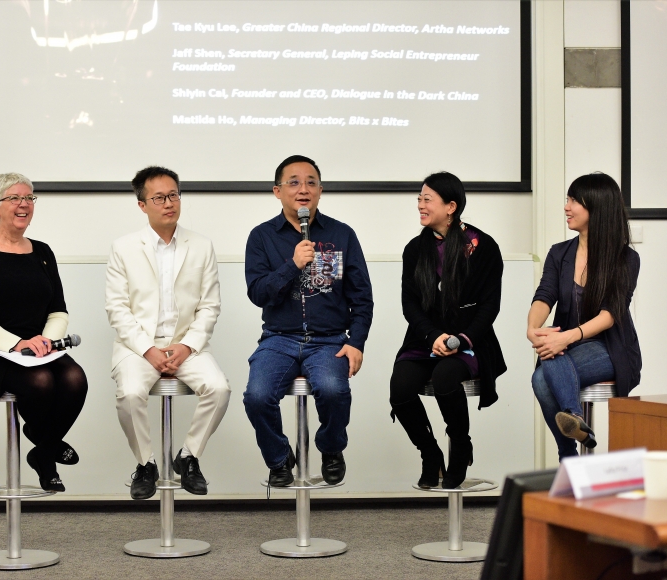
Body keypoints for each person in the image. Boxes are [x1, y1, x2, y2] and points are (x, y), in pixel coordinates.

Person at [0, 173, 88, 492]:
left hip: (41, 347)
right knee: (40, 382)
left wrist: (45, 341)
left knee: (75, 379)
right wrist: (16, 344)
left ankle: (42, 449)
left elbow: (58, 310)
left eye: (29, 198)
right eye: (14, 198)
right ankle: (47, 449)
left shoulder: (42, 252)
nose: (24, 204)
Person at [243, 155, 374, 487]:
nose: (303, 189)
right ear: (277, 191)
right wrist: (293, 265)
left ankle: (331, 448)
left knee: (333, 390)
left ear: (320, 190)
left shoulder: (342, 234)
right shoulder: (261, 237)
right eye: (294, 182)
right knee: (256, 396)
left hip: (329, 339)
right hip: (278, 338)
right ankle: (279, 458)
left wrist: (356, 342)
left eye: (311, 182)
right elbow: (257, 293)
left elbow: (362, 297)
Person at [106, 166, 230, 500]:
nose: (169, 203)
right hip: (137, 347)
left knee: (219, 389)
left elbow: (210, 306)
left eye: (173, 195)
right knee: (130, 393)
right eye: (159, 197)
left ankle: (188, 457)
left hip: (186, 344)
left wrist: (187, 346)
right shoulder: (123, 247)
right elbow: (117, 309)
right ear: (142, 204)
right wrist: (148, 350)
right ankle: (146, 463)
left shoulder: (201, 245)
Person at [389, 172, 506, 489]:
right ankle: (430, 453)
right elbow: (410, 305)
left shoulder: (482, 247)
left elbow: (489, 306)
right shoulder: (415, 249)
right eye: (419, 199)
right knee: (400, 388)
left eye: (427, 199)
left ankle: (460, 446)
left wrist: (460, 339)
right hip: (425, 339)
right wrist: (433, 336)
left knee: (445, 378)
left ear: (451, 206)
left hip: (470, 340)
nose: (420, 205)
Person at [528, 172, 641, 460]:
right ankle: (576, 426)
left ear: (597, 207)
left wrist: (565, 337)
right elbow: (544, 295)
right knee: (545, 367)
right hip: (567, 346)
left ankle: (568, 455)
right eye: (567, 199)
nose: (566, 207)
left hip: (610, 348)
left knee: (543, 376)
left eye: (574, 201)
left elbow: (611, 314)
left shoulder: (626, 258)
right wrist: (533, 329)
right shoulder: (559, 253)